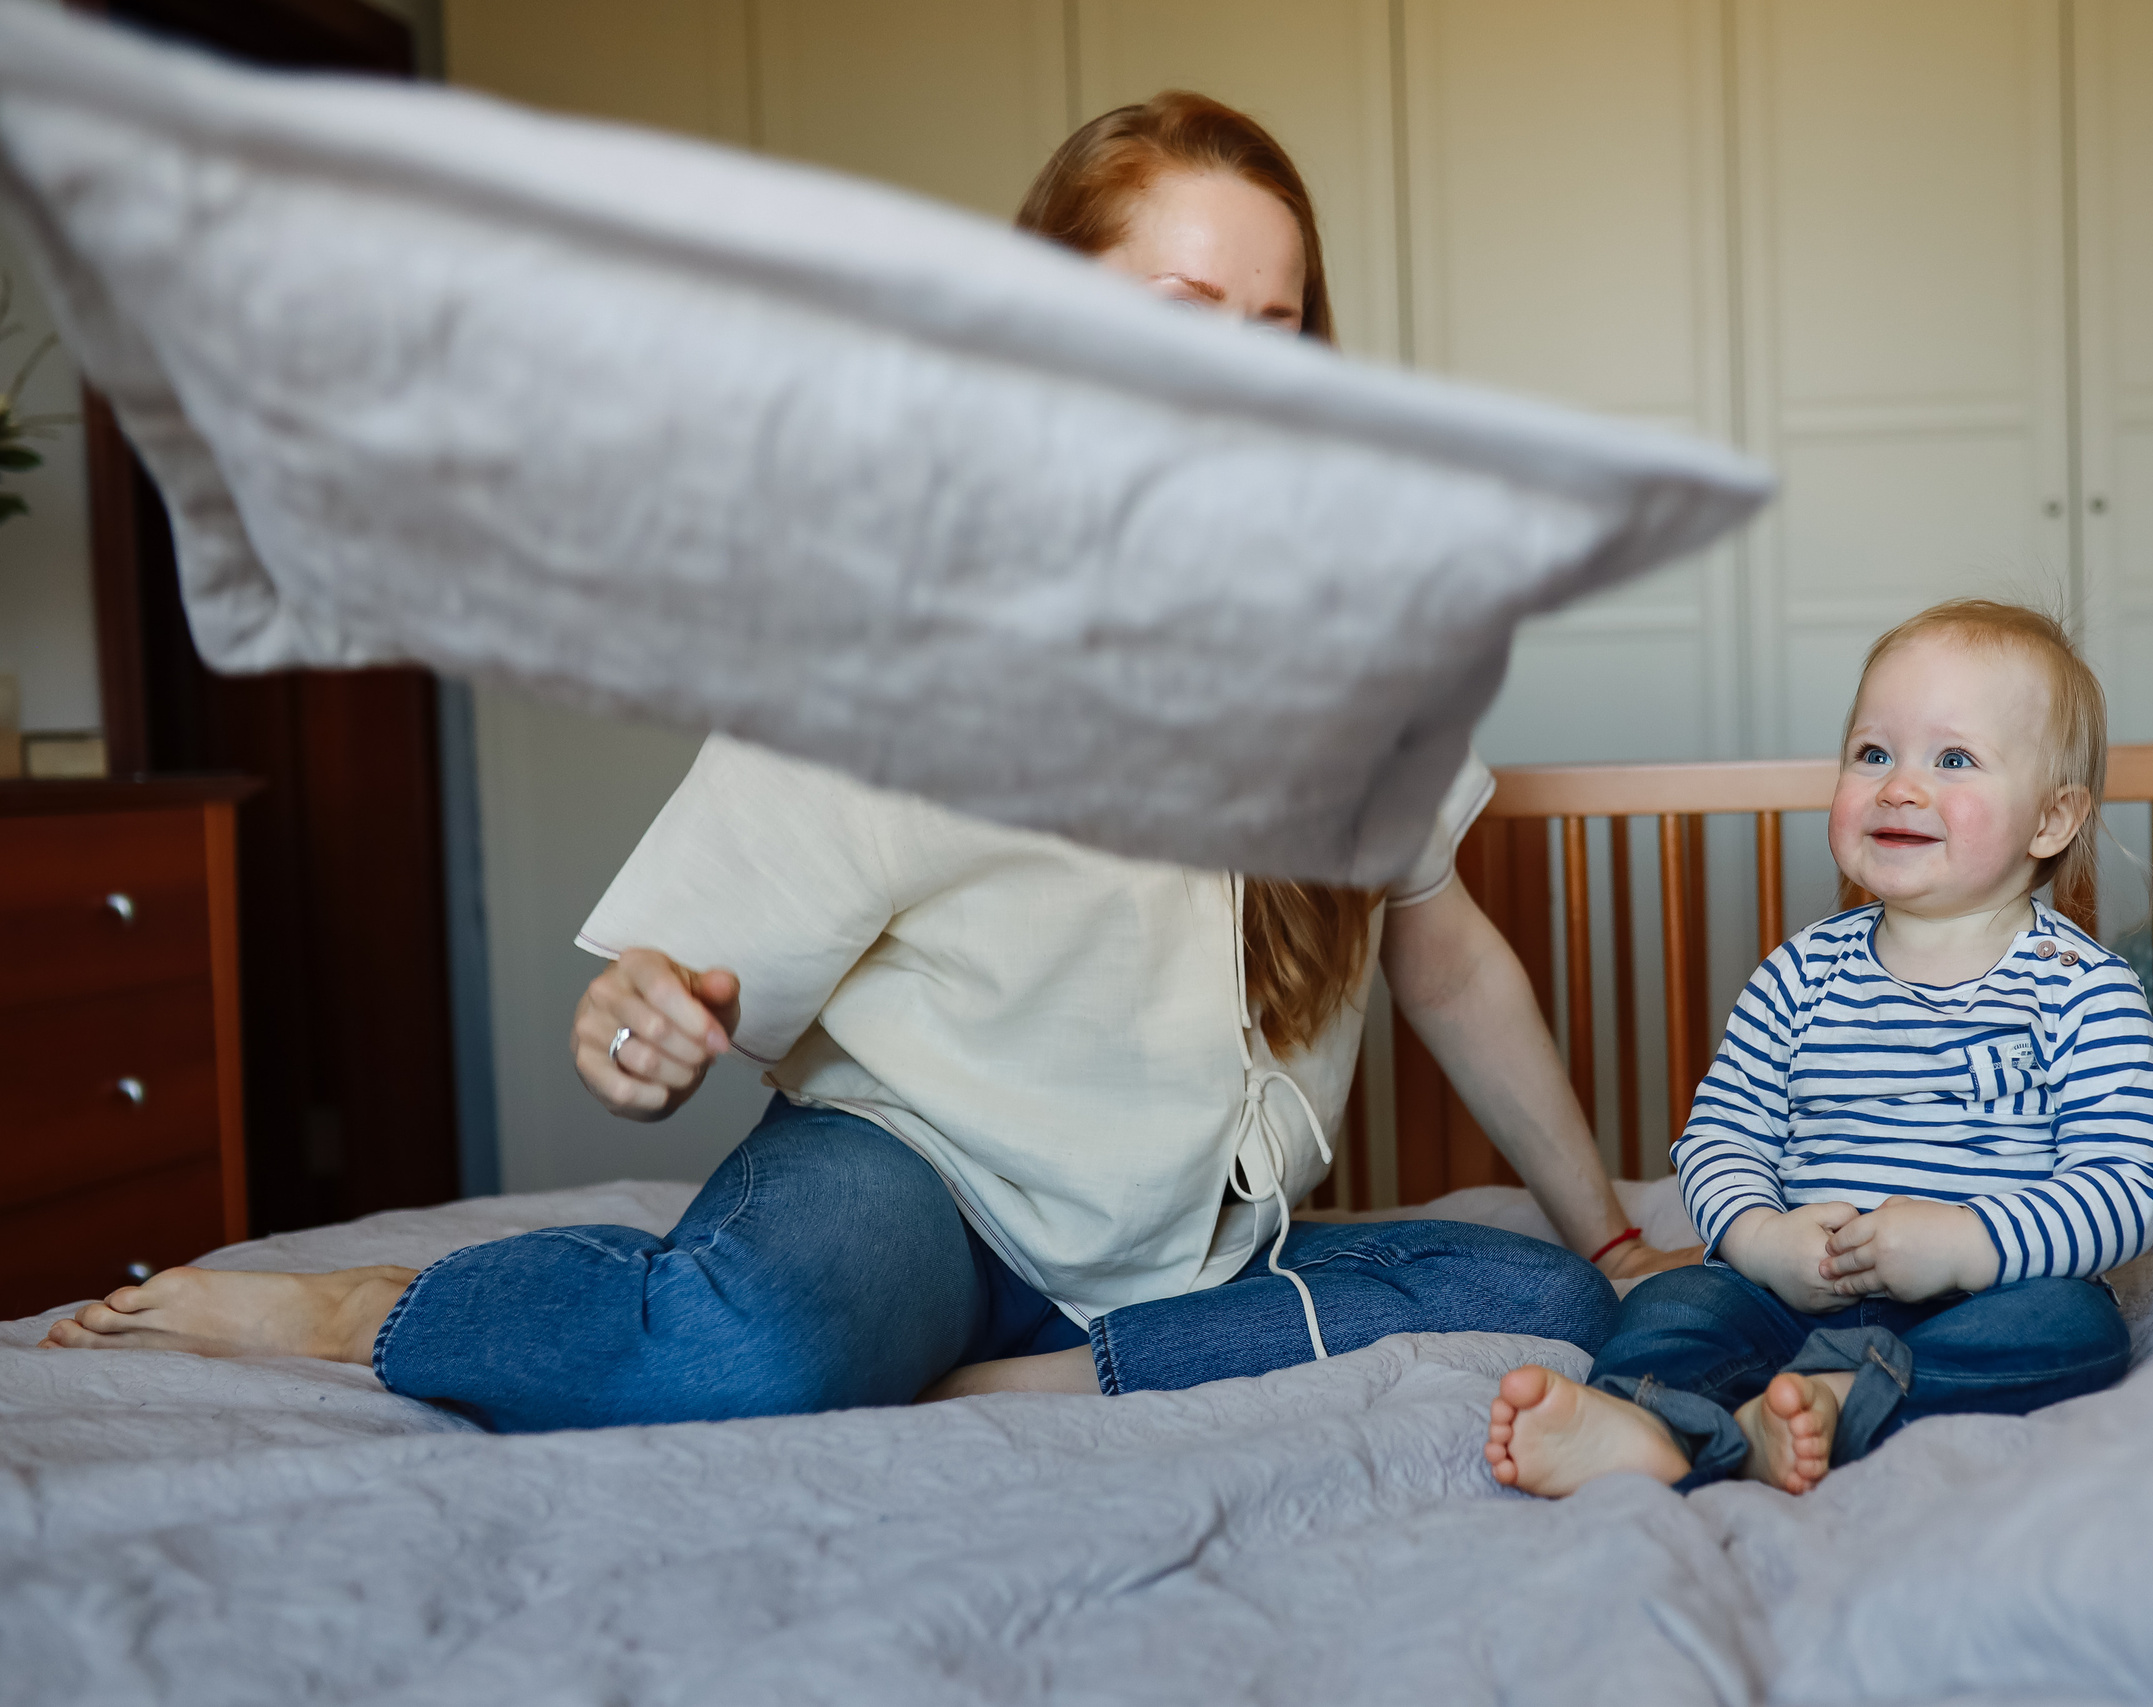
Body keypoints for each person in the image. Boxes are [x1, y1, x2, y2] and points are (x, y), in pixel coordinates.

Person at [43, 92, 1695, 1427]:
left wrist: (1611, 1234)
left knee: (1537, 1291)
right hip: (915, 1179)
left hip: (1187, 1245)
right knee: (745, 1355)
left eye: (1277, 325)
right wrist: (640, 1019)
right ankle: (369, 1310)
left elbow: (1448, 959)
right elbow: (675, 979)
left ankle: (1040, 1382)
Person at [1485, 599, 2153, 1497]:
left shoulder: (2082, 990)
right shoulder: (1800, 975)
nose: (1899, 786)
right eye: (1872, 752)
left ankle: (1835, 1400)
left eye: (1953, 759)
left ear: (2051, 819)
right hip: (1794, 1298)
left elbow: (2130, 1187)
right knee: (1675, 1300)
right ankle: (1647, 1417)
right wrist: (1762, 1241)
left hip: (1980, 1298)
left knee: (2077, 1326)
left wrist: (1972, 1244)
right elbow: (1719, 1137)